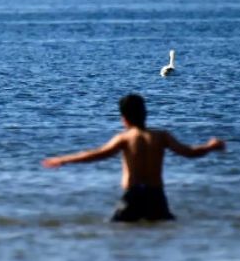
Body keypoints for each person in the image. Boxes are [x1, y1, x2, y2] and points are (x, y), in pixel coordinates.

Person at [42, 94, 225, 222]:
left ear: (124, 119)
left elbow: (97, 154)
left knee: (115, 229)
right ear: (145, 114)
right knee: (163, 227)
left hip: (134, 195)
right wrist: (211, 146)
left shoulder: (125, 137)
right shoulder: (162, 136)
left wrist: (64, 159)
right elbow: (189, 152)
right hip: (156, 195)